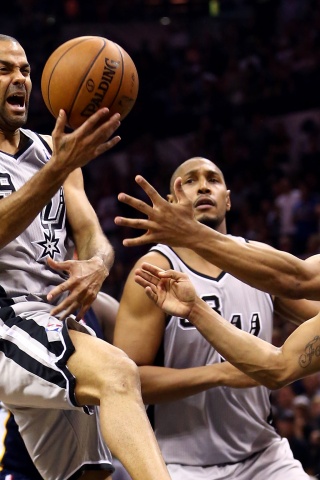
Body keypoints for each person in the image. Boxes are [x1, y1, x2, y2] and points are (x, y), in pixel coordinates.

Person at [0, 34, 170, 480]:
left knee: (88, 475)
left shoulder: (54, 153)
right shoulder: (59, 160)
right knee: (117, 373)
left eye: (25, 71)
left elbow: (92, 234)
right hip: (5, 320)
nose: (19, 79)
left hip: (52, 318)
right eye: (4, 70)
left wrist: (97, 264)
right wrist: (56, 168)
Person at [113, 157, 319, 479]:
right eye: (190, 181)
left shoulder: (260, 265)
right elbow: (126, 382)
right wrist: (217, 373)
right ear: (170, 202)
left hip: (264, 456)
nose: (204, 185)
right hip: (183, 464)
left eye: (213, 179)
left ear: (228, 198)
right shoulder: (154, 271)